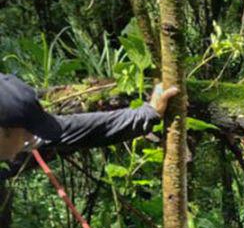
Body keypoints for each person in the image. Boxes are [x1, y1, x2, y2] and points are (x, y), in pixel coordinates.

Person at [0, 73, 178, 173]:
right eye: (27, 132)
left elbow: (76, 130)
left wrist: (148, 114)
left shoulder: (15, 135)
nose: (31, 138)